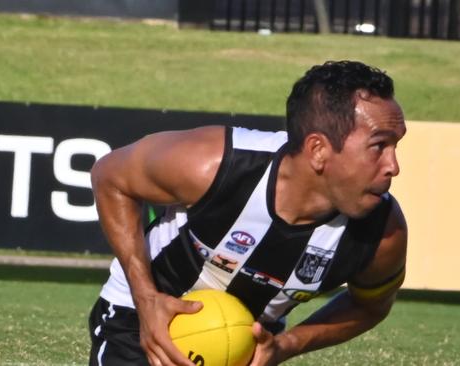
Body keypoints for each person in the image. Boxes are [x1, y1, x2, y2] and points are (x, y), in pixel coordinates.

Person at [88, 60, 408, 366]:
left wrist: (286, 345)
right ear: (318, 150)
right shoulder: (215, 164)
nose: (393, 166)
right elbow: (110, 176)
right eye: (379, 146)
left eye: (396, 146)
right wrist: (146, 299)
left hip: (245, 355)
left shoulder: (383, 234)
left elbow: (370, 305)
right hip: (138, 324)